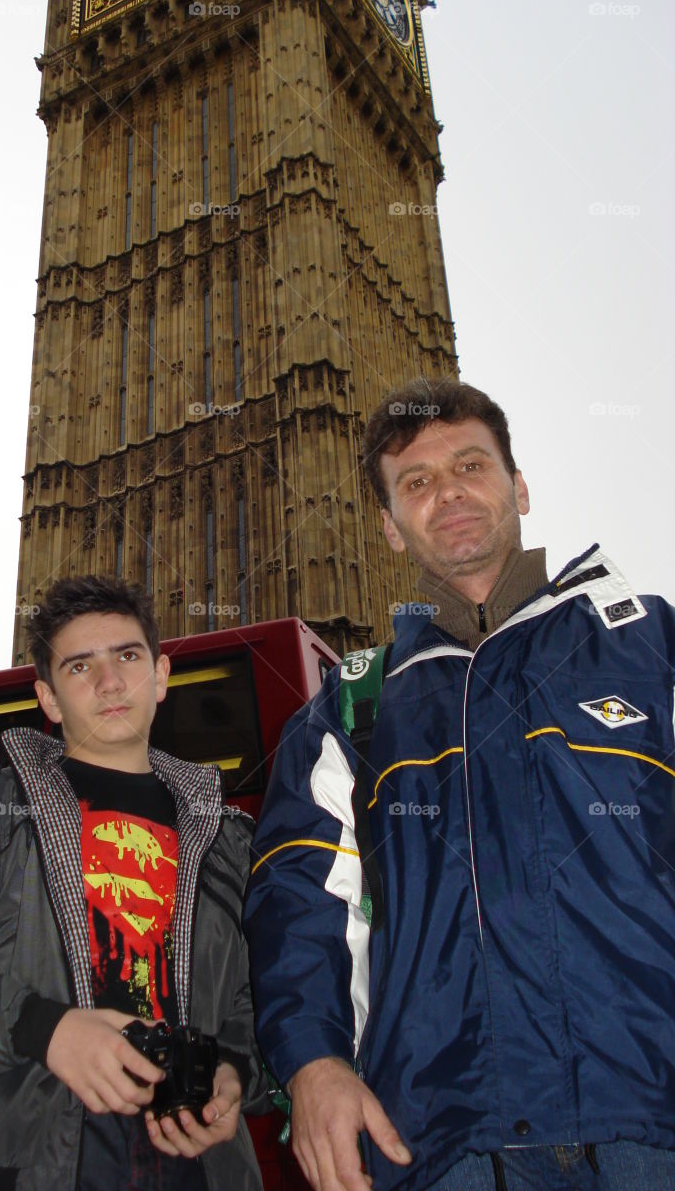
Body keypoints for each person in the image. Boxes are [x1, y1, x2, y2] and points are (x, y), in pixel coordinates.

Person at [243, 379, 675, 1191]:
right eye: (416, 482)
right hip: (446, 1138)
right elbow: (300, 907)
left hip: (651, 1113)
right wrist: (313, 1063)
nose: (447, 493)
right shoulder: (350, 708)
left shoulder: (650, 644)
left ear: (518, 487)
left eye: (470, 466)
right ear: (389, 529)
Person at [0, 574, 264, 1191]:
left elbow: (256, 996)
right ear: (50, 698)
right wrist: (42, 1028)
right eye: (80, 666)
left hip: (198, 1166)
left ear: (162, 675)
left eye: (127, 656)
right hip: (41, 1157)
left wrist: (234, 1069)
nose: (110, 682)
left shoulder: (227, 838)